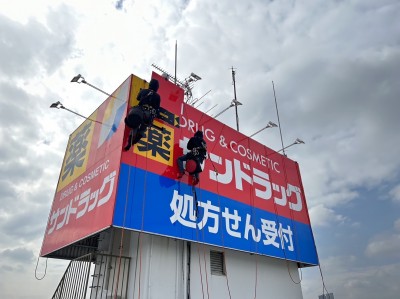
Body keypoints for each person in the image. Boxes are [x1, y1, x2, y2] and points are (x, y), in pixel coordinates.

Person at [124, 79, 161, 151]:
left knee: (135, 127)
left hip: (140, 111)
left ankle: (129, 143)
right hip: (149, 114)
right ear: (157, 87)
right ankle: (133, 142)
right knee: (142, 129)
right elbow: (157, 108)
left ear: (150, 85)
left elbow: (138, 98)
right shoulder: (158, 96)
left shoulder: (143, 91)